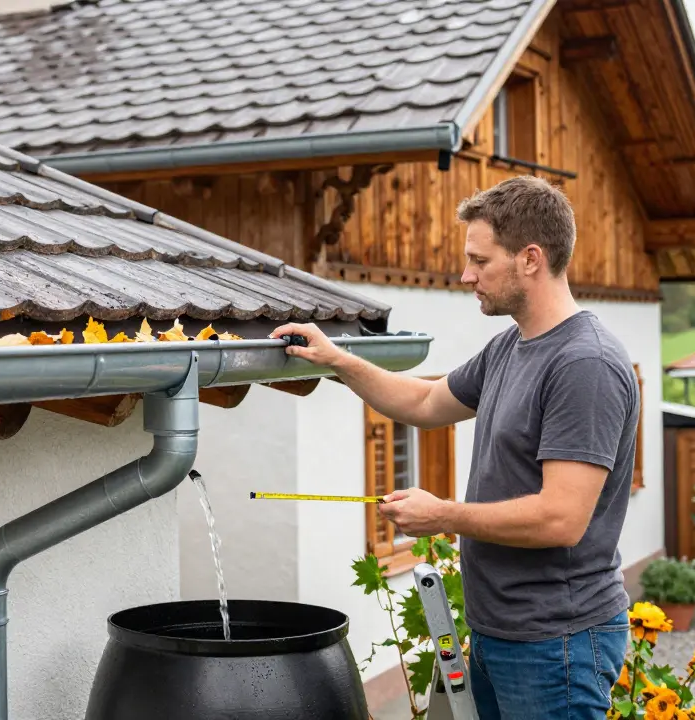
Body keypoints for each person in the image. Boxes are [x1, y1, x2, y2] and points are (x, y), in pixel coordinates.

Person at [270, 175, 638, 720]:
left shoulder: (585, 364)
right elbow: (424, 401)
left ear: (530, 259)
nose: (466, 276)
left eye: (479, 261)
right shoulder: (510, 347)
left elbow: (561, 519)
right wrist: (339, 360)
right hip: (499, 631)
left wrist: (442, 515)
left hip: (555, 643)